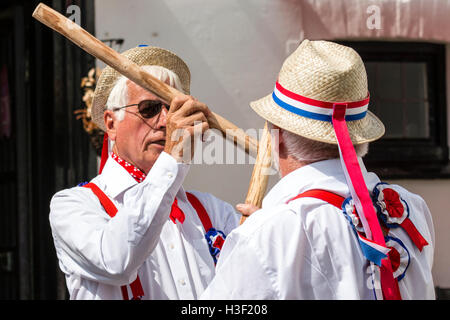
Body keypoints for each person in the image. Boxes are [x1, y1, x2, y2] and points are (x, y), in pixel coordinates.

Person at [201, 40, 435, 300]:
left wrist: (267, 234)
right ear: (360, 138)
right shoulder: (412, 209)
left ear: (275, 137)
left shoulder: (268, 235)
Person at [49, 45, 240, 300]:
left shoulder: (215, 211)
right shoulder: (72, 206)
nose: (165, 122)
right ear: (110, 123)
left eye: (172, 110)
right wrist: (173, 160)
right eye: (148, 109)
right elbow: (117, 262)